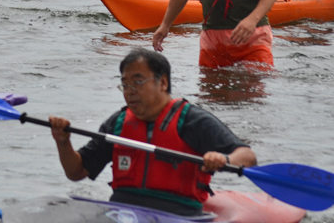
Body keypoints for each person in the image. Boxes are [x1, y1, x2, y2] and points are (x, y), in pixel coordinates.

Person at [49, 48, 257, 217]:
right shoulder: (118, 123)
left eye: (138, 82)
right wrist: (62, 141)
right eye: (125, 84)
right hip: (123, 214)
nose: (130, 90)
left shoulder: (193, 121)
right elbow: (76, 172)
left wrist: (223, 158)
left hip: (179, 215)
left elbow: (247, 157)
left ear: (163, 82)